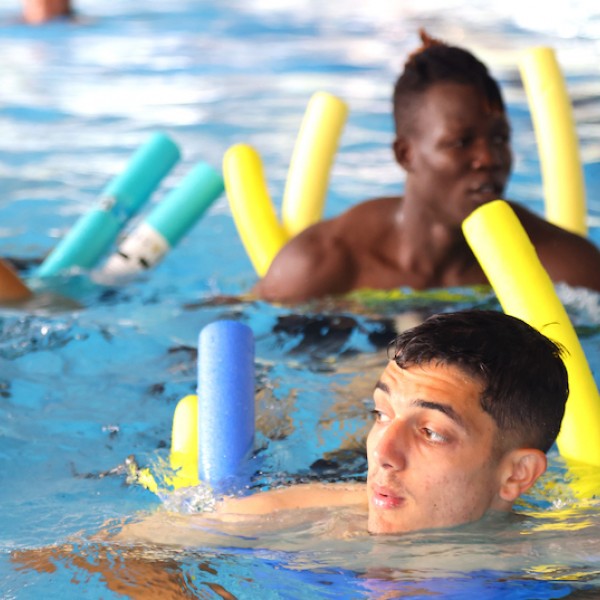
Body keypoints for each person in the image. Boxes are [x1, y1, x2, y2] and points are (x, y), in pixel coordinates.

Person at [113, 309, 569, 541]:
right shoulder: (295, 519)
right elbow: (124, 551)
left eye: (430, 431)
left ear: (517, 475)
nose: (382, 453)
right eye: (380, 414)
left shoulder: (562, 559)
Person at [253, 31, 600, 303]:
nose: (490, 159)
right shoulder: (325, 265)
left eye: (499, 138)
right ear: (406, 155)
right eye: (461, 142)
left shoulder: (558, 263)